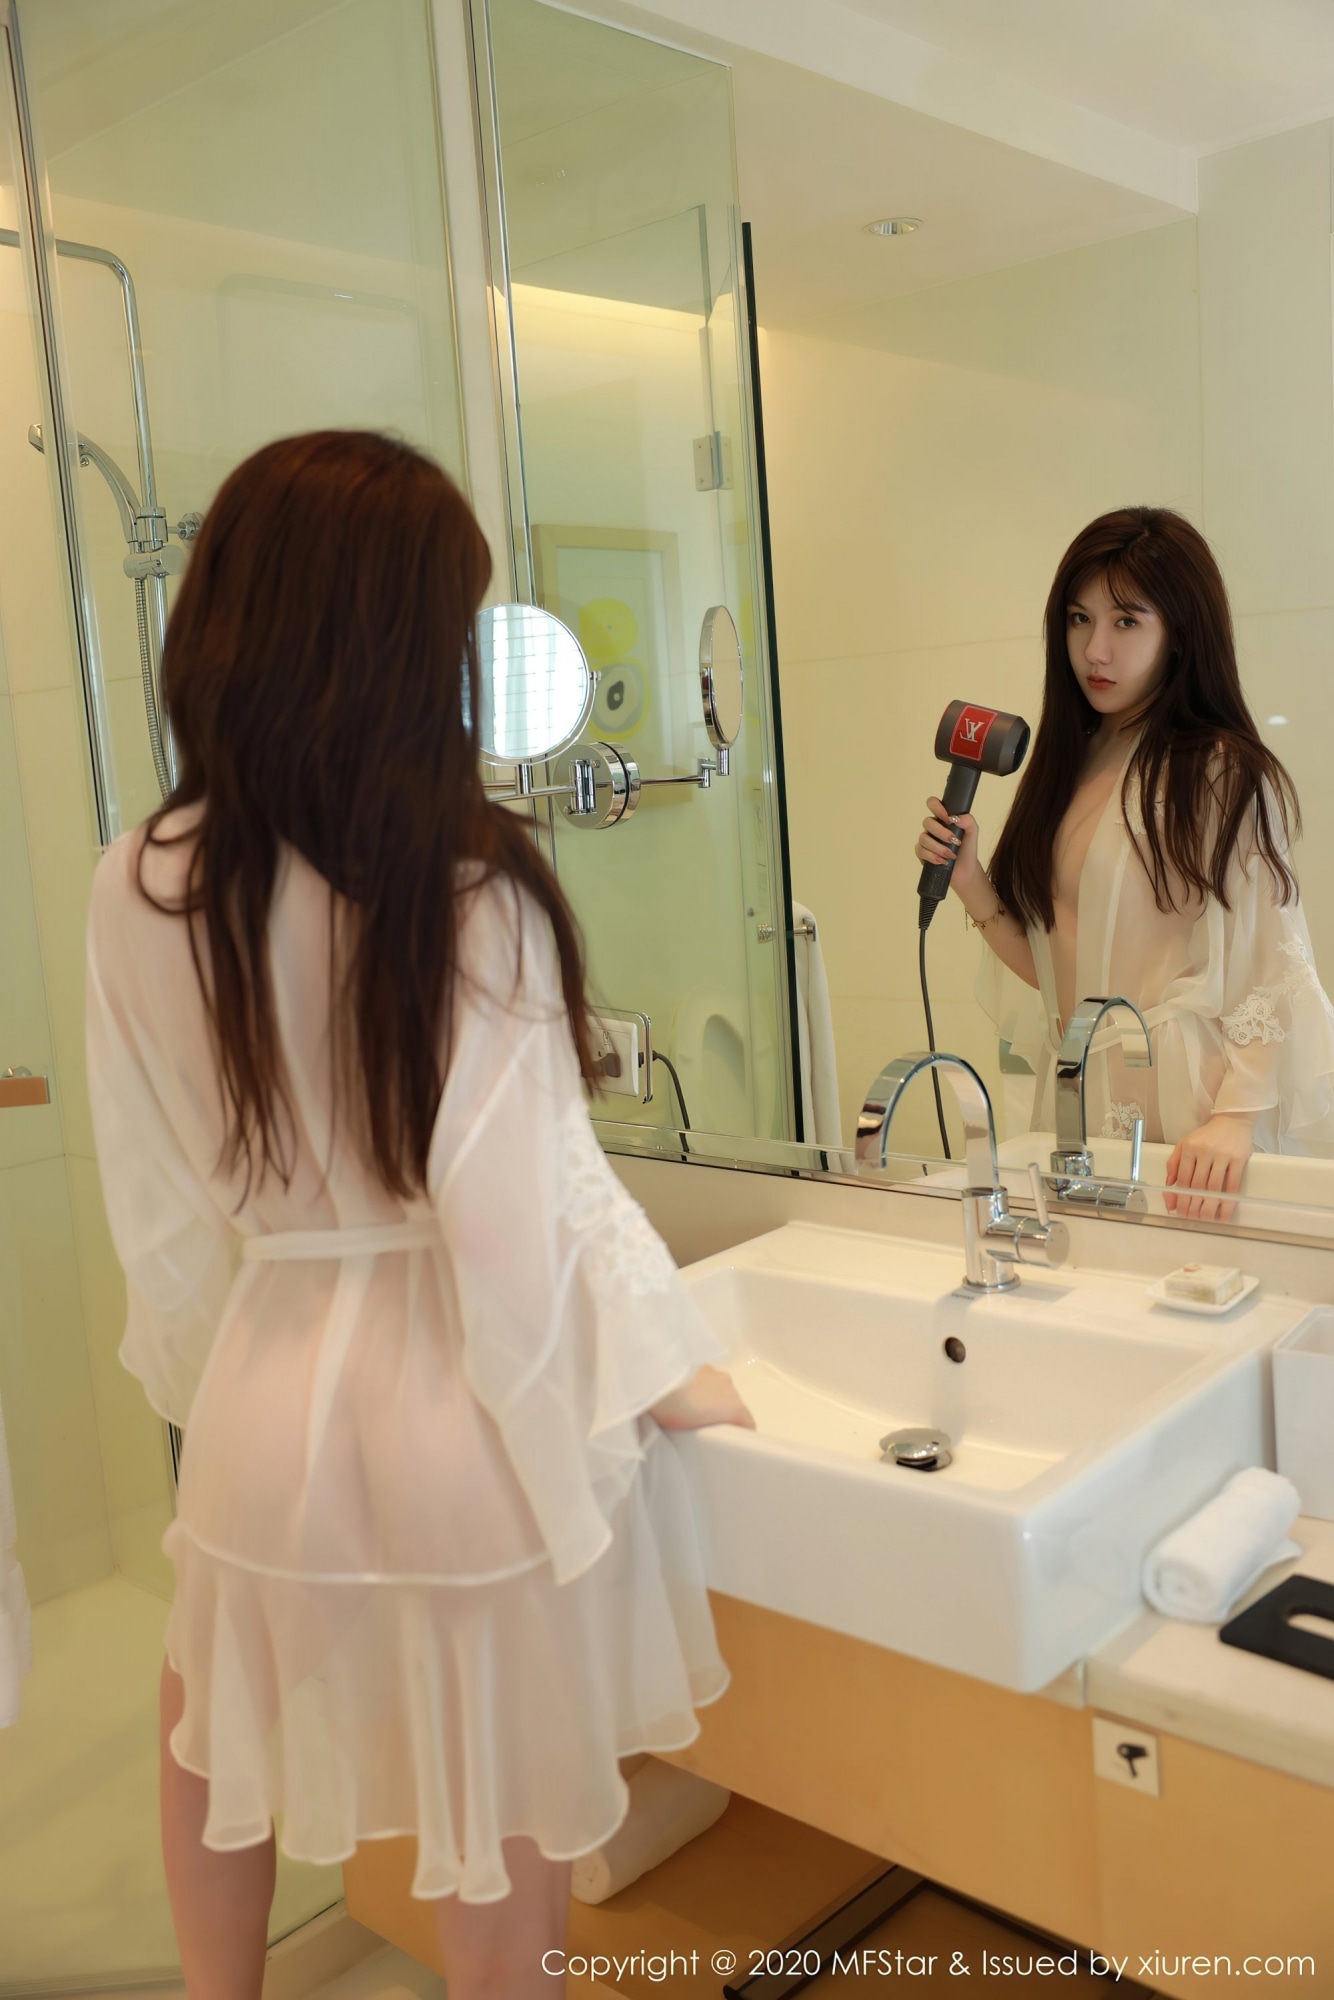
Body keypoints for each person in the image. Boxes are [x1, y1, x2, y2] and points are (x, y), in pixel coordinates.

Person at [84, 430, 755, 2000]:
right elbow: (525, 1214)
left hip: (262, 1394)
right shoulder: (466, 883)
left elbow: (156, 1209)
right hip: (449, 1408)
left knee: (212, 1740)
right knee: (494, 1806)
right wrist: (659, 1372)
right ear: (397, 641)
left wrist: (211, 1375)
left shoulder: (138, 881)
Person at [914, 506, 1334, 1208]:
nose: (1095, 651)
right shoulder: (1071, 762)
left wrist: (1236, 1119)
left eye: (1126, 622)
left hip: (1190, 1117)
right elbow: (1060, 974)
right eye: (1079, 619)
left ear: (1180, 634)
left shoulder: (1220, 770)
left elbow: (1276, 963)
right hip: (1079, 1099)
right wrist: (971, 881)